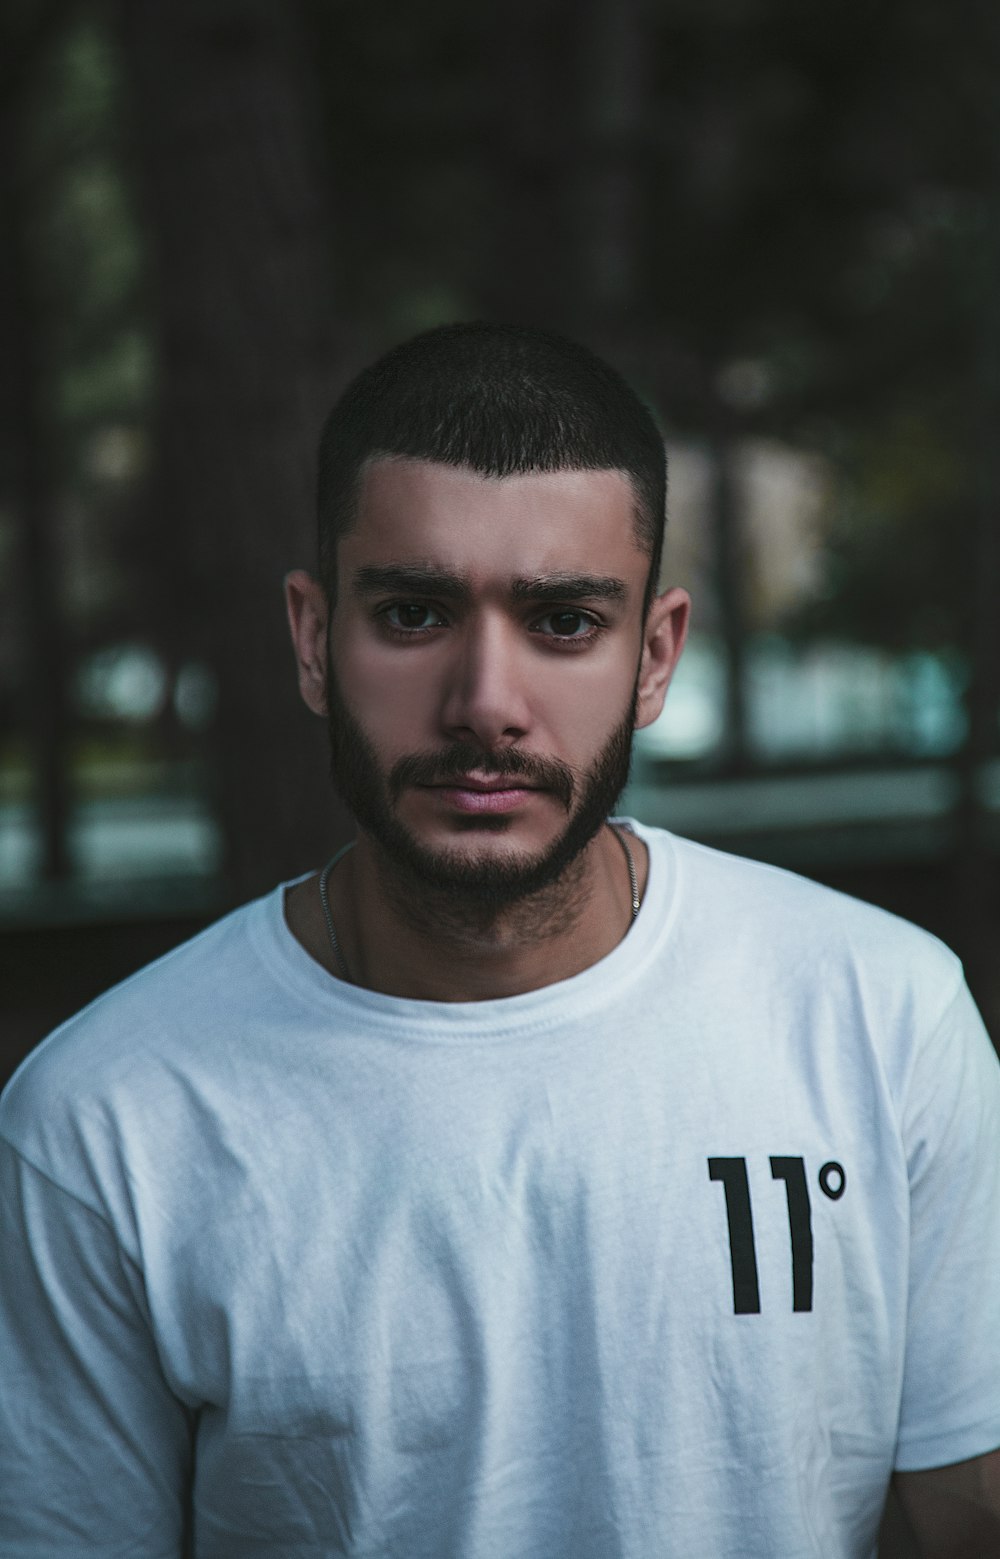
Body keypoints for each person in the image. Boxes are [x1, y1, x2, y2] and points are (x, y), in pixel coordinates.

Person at [1, 323, 998, 1559]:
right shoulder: (103, 1122)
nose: (484, 702)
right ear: (314, 640)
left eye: (565, 621)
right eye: (414, 612)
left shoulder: (879, 1017)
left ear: (656, 654)